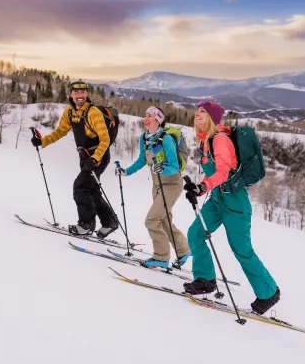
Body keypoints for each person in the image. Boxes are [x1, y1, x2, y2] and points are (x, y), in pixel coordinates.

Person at [182, 98, 280, 314]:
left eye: (202, 111)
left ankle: (269, 292)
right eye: (196, 110)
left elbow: (223, 172)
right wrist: (200, 189)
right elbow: (214, 176)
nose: (197, 114)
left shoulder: (220, 139)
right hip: (217, 200)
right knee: (196, 233)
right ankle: (205, 280)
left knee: (242, 251)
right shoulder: (205, 141)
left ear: (213, 117)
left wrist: (201, 187)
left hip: (235, 203)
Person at [30, 81, 119, 238]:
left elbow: (105, 139)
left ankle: (86, 225)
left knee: (80, 187)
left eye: (83, 92)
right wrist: (42, 141)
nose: (80, 95)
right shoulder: (70, 112)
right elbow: (60, 131)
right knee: (92, 190)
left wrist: (95, 159)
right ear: (70, 94)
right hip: (85, 157)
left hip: (99, 156)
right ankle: (109, 222)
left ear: (86, 95)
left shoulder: (93, 113)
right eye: (76, 92)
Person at [115, 106, 192, 269]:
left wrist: (162, 168)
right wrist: (126, 171)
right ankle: (183, 250)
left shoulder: (167, 139)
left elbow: (175, 166)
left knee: (152, 220)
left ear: (159, 119)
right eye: (145, 115)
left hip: (171, 184)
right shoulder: (145, 138)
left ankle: (161, 257)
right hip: (157, 185)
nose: (146, 118)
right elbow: (142, 160)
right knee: (163, 220)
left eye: (150, 115)